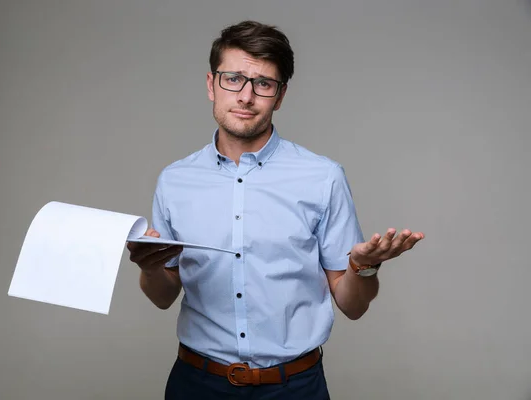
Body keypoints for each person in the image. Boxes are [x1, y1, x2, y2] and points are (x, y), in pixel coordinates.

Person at [127, 20, 424, 400]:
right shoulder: (174, 180)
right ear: (211, 84)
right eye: (233, 78)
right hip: (197, 384)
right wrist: (150, 267)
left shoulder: (323, 177)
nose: (246, 96)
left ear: (280, 96)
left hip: (295, 388)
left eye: (263, 84)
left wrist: (362, 266)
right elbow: (163, 296)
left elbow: (353, 306)